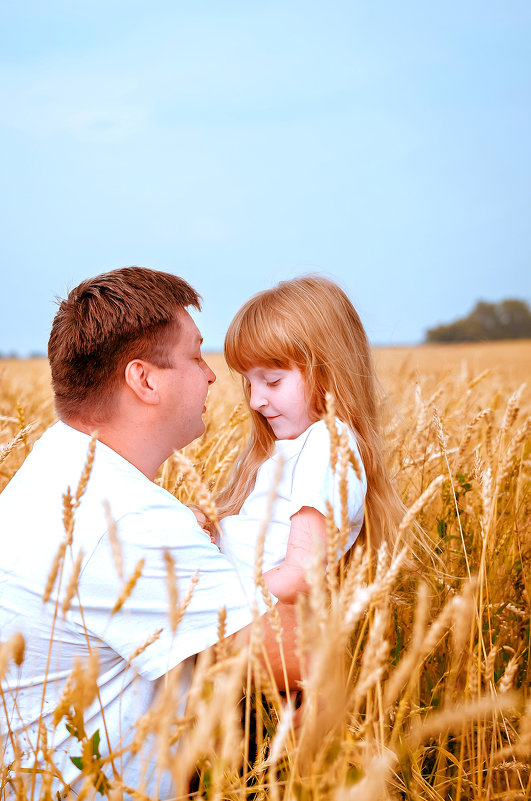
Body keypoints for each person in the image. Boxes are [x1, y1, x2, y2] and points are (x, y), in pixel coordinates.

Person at [0, 267, 300, 798]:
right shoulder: (128, 520)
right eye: (194, 355)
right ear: (145, 380)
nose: (210, 376)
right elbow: (296, 662)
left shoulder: (56, 465)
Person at [214, 276, 402, 602]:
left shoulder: (326, 445)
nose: (256, 400)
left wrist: (206, 605)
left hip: (251, 627)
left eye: (272, 382)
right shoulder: (292, 447)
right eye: (249, 384)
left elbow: (300, 575)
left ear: (328, 372)